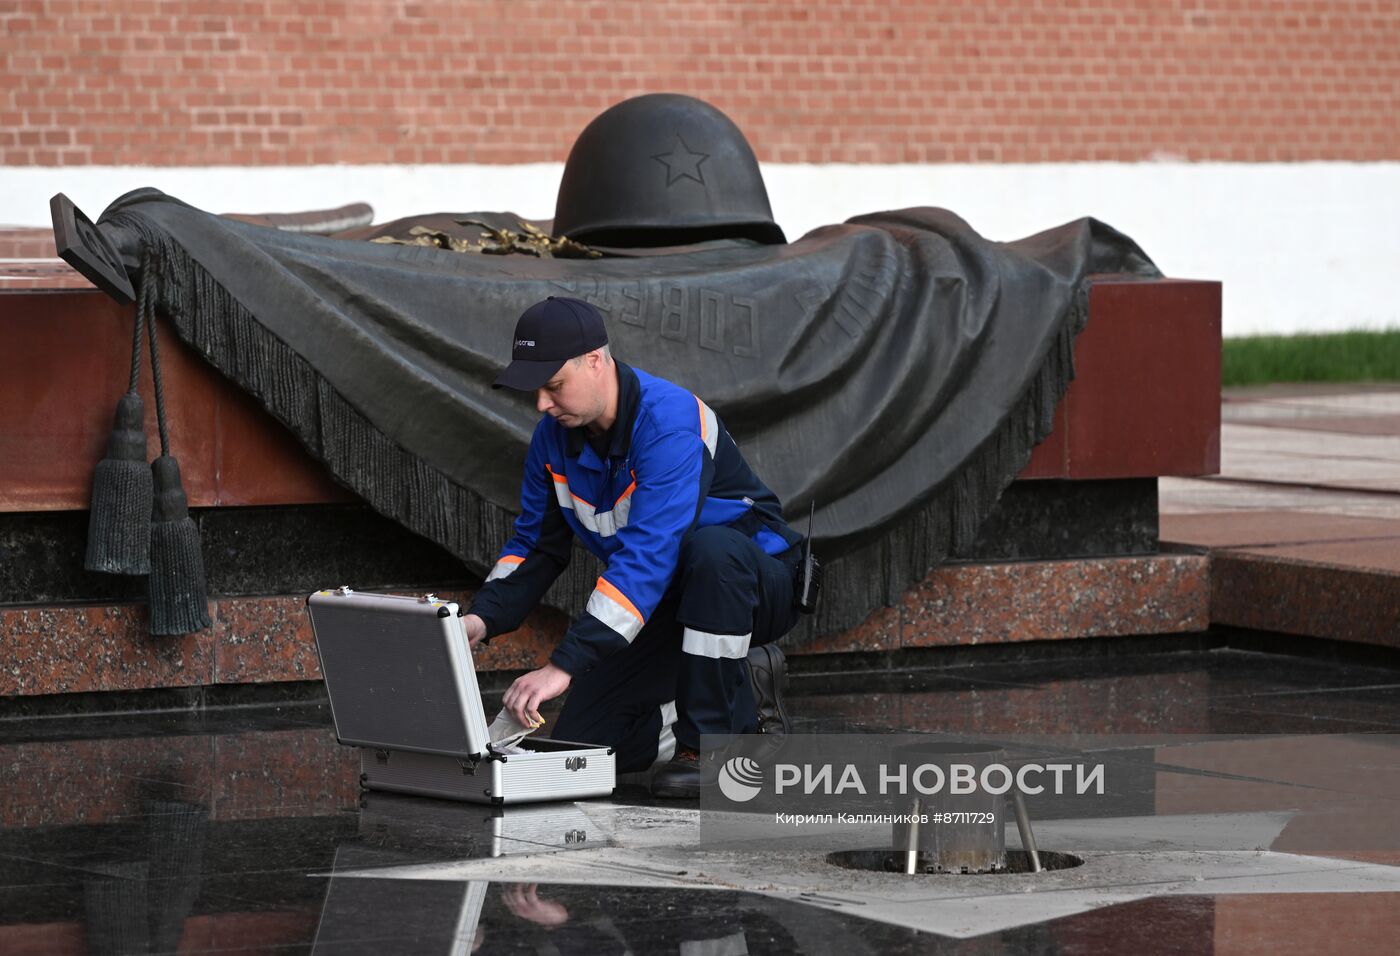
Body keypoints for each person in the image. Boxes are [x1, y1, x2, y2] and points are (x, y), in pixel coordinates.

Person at [461, 296, 803, 798]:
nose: (541, 405)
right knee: (587, 747)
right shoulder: (553, 439)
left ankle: (714, 744)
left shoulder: (670, 423)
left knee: (712, 552)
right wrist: (477, 621)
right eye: (536, 390)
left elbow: (648, 556)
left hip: (754, 585)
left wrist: (562, 666)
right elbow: (534, 546)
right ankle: (737, 697)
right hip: (665, 600)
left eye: (554, 387)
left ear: (595, 361)